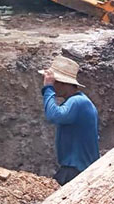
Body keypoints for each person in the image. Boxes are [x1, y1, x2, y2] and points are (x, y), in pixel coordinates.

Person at [39, 56, 99, 186]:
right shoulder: (77, 101)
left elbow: (54, 115)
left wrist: (48, 89)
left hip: (77, 169)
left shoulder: (78, 102)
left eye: (55, 83)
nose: (53, 87)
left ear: (63, 84)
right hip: (76, 167)